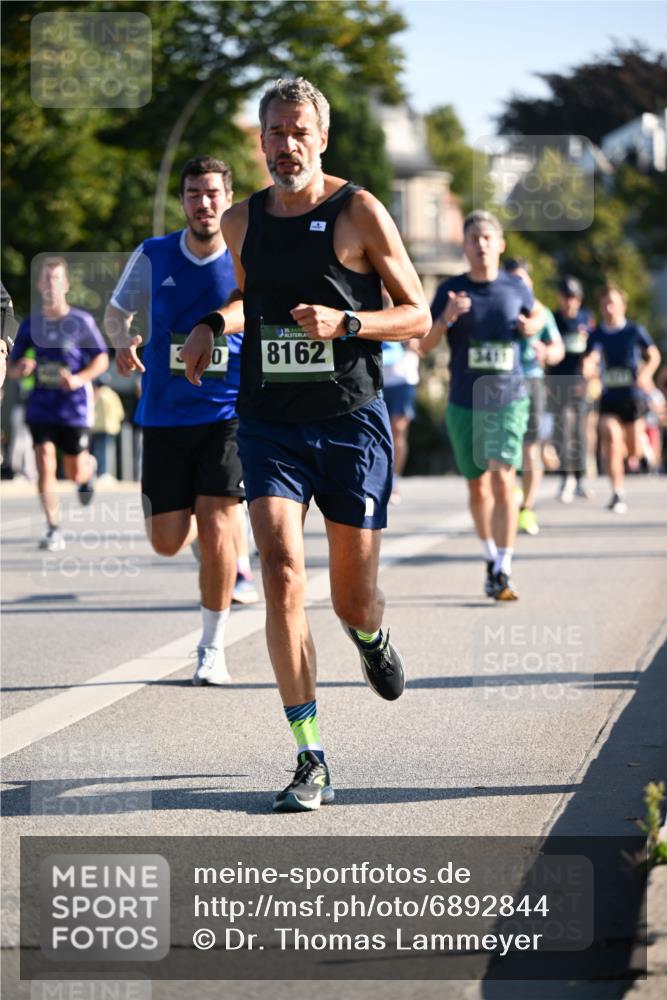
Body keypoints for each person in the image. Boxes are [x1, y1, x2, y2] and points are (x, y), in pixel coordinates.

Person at [182, 77, 430, 812]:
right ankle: (310, 754)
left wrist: (347, 324)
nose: (286, 144)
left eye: (299, 132)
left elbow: (416, 314)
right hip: (268, 422)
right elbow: (248, 300)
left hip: (350, 420)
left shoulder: (358, 210)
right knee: (282, 571)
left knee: (353, 598)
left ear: (321, 138)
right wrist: (213, 325)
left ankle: (370, 636)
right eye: (275, 132)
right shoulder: (240, 222)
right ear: (260, 141)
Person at [104, 154, 256, 686]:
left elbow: (256, 308)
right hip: (165, 414)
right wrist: (122, 343)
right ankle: (208, 543)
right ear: (183, 201)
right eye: (194, 193)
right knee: (166, 540)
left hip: (227, 412)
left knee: (217, 524)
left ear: (228, 198)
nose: (204, 203)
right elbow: (116, 314)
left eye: (213, 193)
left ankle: (211, 648)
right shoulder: (154, 254)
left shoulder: (245, 253)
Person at [420, 211, 543, 600]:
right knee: (477, 487)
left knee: (503, 477)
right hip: (464, 401)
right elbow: (423, 345)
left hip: (508, 398)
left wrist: (533, 326)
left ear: (500, 244)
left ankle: (504, 568)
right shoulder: (451, 290)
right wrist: (446, 319)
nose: (481, 244)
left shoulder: (515, 287)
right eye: (474, 238)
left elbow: (538, 314)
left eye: (488, 237)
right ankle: (490, 556)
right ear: (465, 246)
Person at [8, 257, 107, 550]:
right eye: (46, 279)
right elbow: (11, 366)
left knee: (74, 471)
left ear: (66, 285)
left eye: (56, 279)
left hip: (74, 407)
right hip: (41, 405)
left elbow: (101, 358)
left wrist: (78, 379)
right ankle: (53, 528)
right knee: (44, 462)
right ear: (39, 285)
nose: (51, 285)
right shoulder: (31, 324)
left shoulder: (81, 322)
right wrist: (21, 368)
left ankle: (87, 471)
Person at [584, 284, 661, 513]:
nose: (609, 309)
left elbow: (654, 355)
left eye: (613, 304)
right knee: (610, 438)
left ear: (622, 306)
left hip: (633, 397)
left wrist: (646, 373)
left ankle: (641, 447)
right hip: (609, 398)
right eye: (604, 305)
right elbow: (589, 358)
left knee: (632, 450)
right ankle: (617, 492)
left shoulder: (634, 331)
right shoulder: (596, 334)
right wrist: (589, 369)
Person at [504, 258, 564, 535]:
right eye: (511, 280)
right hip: (499, 385)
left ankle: (526, 508)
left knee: (531, 448)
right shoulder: (499, 307)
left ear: (529, 282)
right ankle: (511, 492)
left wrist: (548, 353)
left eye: (521, 280)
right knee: (503, 447)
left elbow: (558, 348)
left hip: (532, 382)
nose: (517, 285)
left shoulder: (542, 312)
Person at [548, 276, 595, 502]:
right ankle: (565, 477)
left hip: (579, 382)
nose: (570, 302)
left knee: (578, 431)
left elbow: (593, 349)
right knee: (561, 429)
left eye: (574, 297)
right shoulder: (554, 319)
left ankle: (580, 478)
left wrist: (591, 371)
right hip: (557, 382)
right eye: (566, 297)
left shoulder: (586, 318)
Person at [381, 338, 421, 504]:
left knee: (398, 430)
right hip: (375, 379)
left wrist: (414, 342)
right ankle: (377, 480)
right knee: (378, 433)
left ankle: (393, 481)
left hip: (403, 379)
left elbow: (425, 338)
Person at [91, 377, 125, 476]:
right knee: (107, 451)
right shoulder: (112, 395)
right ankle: (104, 473)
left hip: (96, 428)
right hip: (111, 428)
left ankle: (98, 473)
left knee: (97, 451)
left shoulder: (95, 394)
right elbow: (120, 413)